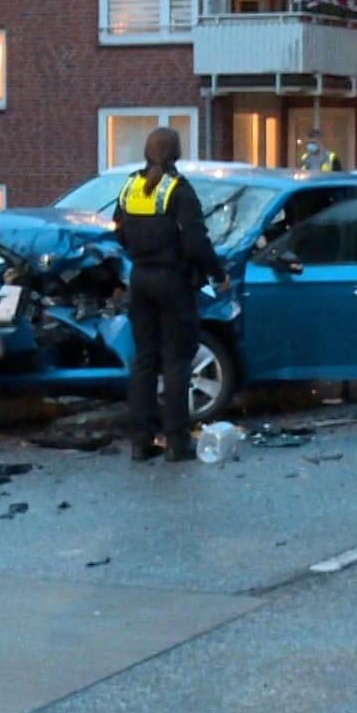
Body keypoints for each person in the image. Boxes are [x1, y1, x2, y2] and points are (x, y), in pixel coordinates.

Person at [115, 127, 228, 463]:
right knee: (177, 361)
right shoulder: (179, 190)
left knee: (145, 361)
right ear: (176, 153)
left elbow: (118, 230)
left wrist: (139, 252)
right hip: (173, 282)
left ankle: (141, 441)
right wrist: (217, 276)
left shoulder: (131, 186)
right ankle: (177, 442)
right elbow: (196, 242)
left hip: (140, 280)